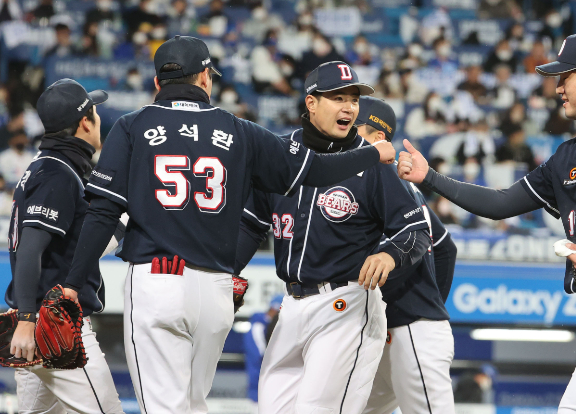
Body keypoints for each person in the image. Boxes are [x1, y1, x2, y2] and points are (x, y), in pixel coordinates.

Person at [64, 38, 396, 414]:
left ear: (158, 83)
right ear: (205, 78)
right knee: (194, 404)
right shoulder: (240, 130)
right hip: (215, 291)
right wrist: (371, 153)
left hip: (157, 282)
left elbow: (103, 211)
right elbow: (316, 169)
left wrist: (74, 283)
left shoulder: (131, 126)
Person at [398, 34, 576, 414]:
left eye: (566, 77)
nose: (557, 87)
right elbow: (500, 204)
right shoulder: (568, 153)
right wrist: (429, 177)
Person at [235, 61, 430, 414]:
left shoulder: (373, 162)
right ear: (311, 103)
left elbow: (415, 230)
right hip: (290, 306)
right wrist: (229, 270)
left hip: (346, 303)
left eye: (354, 99)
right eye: (337, 97)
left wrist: (390, 254)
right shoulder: (281, 153)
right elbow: (251, 224)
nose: (349, 107)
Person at [6, 79, 124, 413]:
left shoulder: (53, 166)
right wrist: (29, 319)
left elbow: (75, 242)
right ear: (85, 121)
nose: (99, 118)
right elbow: (30, 249)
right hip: (54, 324)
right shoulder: (57, 171)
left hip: (38, 323)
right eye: (95, 112)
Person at [356, 96, 458, 414]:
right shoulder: (395, 185)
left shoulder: (386, 182)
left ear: (378, 138)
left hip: (412, 329)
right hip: (385, 330)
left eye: (353, 128)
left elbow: (444, 249)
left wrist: (425, 312)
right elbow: (445, 248)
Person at [244, 295, 283, 402]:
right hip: (259, 387)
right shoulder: (258, 326)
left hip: (271, 386)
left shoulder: (270, 325)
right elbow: (260, 356)